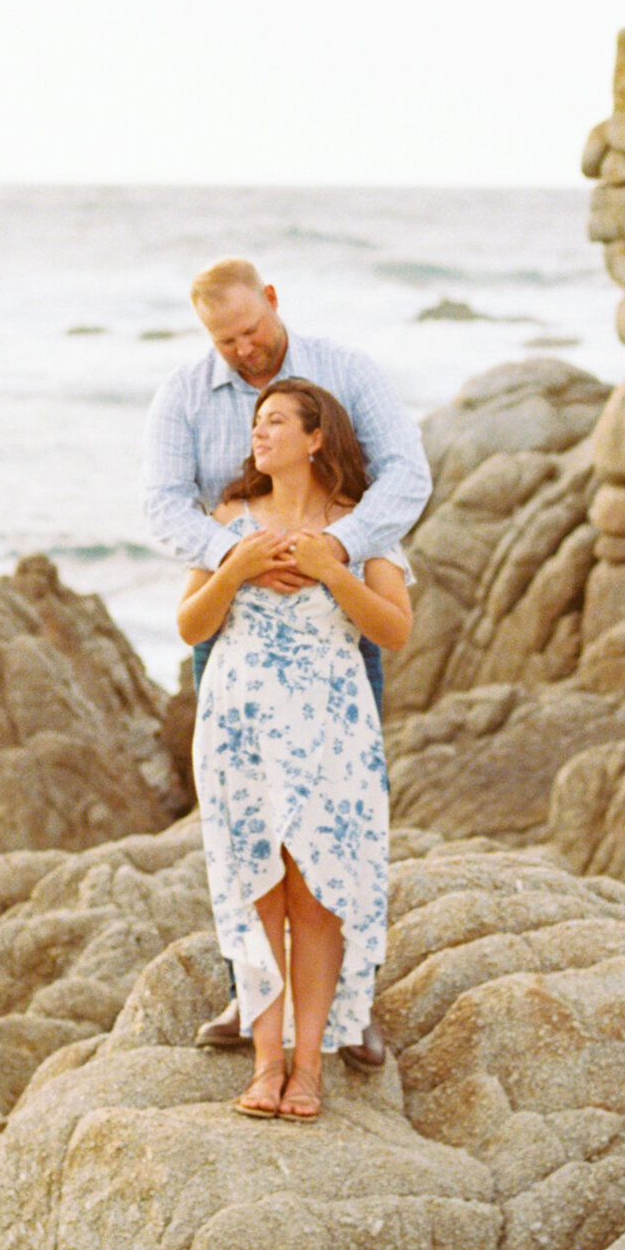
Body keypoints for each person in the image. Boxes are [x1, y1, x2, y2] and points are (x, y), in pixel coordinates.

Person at [144, 256, 430, 1063]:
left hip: (332, 636)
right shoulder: (186, 397)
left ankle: (351, 1007)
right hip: (236, 637)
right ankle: (253, 1002)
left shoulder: (345, 374)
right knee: (248, 830)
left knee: (339, 828)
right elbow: (163, 502)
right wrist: (236, 553)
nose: (243, 349)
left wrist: (336, 549)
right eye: (225, 341)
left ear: (274, 302)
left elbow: (407, 473)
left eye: (252, 331)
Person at [177, 378, 412, 1122]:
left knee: (315, 896)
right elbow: (190, 626)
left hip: (329, 725)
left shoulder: (359, 524)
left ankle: (309, 1069)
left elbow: (394, 630)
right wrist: (237, 568)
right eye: (256, 421)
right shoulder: (228, 521)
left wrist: (332, 570)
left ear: (316, 439)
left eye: (276, 420)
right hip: (238, 724)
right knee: (258, 885)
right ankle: (266, 1062)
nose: (260, 432)